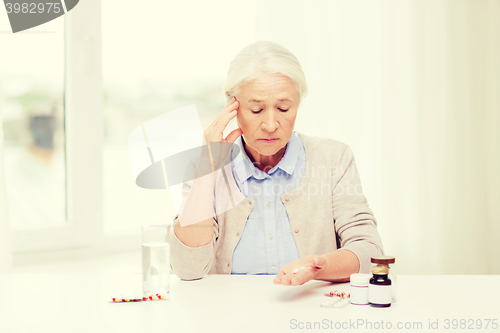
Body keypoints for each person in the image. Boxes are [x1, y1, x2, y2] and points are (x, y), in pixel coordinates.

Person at [169, 40, 384, 285]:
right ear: (232, 106)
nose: (271, 125)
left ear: (297, 104)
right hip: (230, 315)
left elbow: (369, 251)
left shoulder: (334, 157)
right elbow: (187, 268)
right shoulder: (205, 167)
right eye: (257, 110)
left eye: (283, 108)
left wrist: (319, 268)